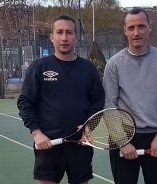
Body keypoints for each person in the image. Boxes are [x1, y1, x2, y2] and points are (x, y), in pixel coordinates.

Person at [17, 15, 105, 184]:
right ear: (52, 37)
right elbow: (25, 102)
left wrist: (89, 129)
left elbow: (97, 102)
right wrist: (37, 133)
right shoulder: (39, 67)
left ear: (76, 37)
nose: (64, 37)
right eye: (59, 32)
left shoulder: (89, 68)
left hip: (80, 145)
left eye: (69, 32)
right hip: (48, 144)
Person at [103, 8, 157, 184]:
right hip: (124, 139)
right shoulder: (114, 64)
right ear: (125, 31)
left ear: (149, 27)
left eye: (141, 26)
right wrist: (122, 142)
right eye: (131, 28)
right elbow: (109, 106)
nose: (136, 32)